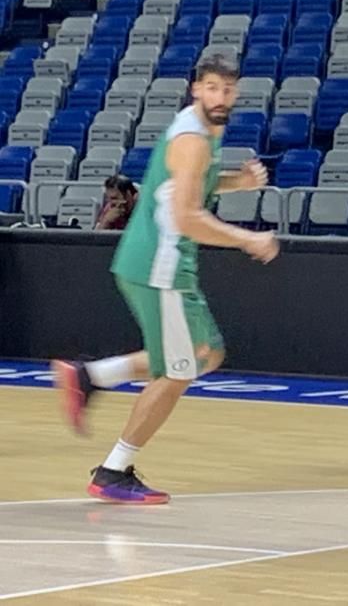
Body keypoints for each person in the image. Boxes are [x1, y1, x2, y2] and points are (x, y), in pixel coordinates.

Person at [52, 54, 280, 505]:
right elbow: (188, 216)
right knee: (180, 370)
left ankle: (90, 375)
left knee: (206, 353)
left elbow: (189, 186)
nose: (220, 97)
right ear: (196, 88)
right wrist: (245, 239)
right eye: (212, 88)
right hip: (161, 266)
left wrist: (239, 182)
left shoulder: (203, 129)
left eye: (228, 89)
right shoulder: (194, 139)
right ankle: (113, 470)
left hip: (161, 264)